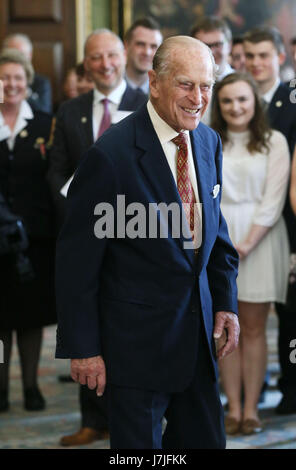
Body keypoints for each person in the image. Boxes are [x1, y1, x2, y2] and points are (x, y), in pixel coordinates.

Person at [55, 35, 240, 449]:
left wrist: (225, 301)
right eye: (186, 84)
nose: (199, 98)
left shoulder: (208, 141)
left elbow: (216, 233)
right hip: (135, 348)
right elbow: (77, 262)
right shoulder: (110, 155)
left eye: (206, 86)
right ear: (155, 83)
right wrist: (83, 348)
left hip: (197, 342)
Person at [48, 29, 147, 447]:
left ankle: (136, 416)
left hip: (135, 240)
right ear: (85, 63)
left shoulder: (148, 104)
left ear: (124, 56)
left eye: (110, 55)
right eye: (95, 57)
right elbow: (54, 171)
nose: (104, 64)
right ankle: (92, 419)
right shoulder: (68, 111)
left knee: (128, 331)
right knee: (85, 326)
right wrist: (78, 216)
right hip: (83, 241)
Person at [211, 72, 290, 434]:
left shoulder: (274, 141)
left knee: (254, 329)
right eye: (227, 100)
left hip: (261, 240)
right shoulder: (208, 139)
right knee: (224, 330)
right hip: (217, 241)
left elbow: (274, 201)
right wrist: (224, 245)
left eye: (242, 99)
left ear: (255, 102)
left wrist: (246, 244)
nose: (235, 107)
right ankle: (233, 407)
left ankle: (252, 410)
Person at [244, 25, 296, 415]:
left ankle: (291, 387)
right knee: (248, 312)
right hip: (245, 215)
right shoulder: (236, 97)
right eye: (250, 56)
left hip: (288, 220)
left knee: (291, 312)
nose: (257, 62)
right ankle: (252, 387)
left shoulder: (292, 101)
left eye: (264, 55)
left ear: (280, 57)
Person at [0, 49, 56, 412]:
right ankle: (1, 390)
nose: (11, 85)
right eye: (4, 78)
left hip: (35, 237)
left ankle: (33, 387)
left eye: (18, 78)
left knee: (31, 319)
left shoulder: (45, 124)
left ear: (28, 82)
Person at [190, 16, 234, 125]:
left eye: (217, 45)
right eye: (204, 46)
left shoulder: (244, 85)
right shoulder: (185, 86)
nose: (211, 52)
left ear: (229, 46)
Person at [3, 33, 52, 113]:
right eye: (12, 55)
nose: (12, 84)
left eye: (21, 55)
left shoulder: (41, 82)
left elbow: (45, 112)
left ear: (30, 56)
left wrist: (26, 94)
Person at [124, 17, 163, 95]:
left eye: (153, 46)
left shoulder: (164, 91)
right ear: (126, 46)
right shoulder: (110, 85)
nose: (147, 52)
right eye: (141, 44)